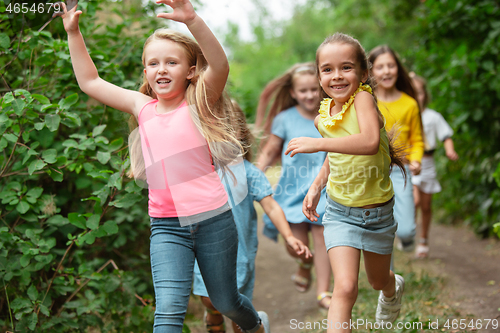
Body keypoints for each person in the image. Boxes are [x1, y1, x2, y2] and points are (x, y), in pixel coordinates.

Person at [57, 1, 271, 332]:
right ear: (145, 73)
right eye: (153, 63)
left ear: (189, 71)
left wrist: (192, 20)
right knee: (169, 309)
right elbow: (89, 82)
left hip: (214, 221)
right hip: (167, 227)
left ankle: (255, 325)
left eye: (172, 62)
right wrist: (73, 31)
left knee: (226, 301)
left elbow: (220, 64)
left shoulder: (200, 102)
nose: (161, 69)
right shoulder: (141, 107)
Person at [285, 32, 406, 332]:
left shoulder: (364, 99)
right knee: (345, 288)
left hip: (377, 214)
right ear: (318, 76)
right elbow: (336, 157)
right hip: (340, 212)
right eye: (327, 69)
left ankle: (392, 290)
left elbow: (367, 141)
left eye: (346, 67)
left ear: (364, 73)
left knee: (377, 280)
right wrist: (315, 187)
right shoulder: (323, 117)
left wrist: (318, 144)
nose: (336, 76)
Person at [192, 101, 312, 333]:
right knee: (209, 299)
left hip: (239, 254)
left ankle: (255, 325)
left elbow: (272, 206)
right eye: (216, 130)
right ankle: (213, 315)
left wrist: (288, 236)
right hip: (206, 250)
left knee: (238, 314)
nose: (223, 136)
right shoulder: (200, 170)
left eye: (230, 129)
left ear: (241, 134)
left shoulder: (249, 172)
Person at [255, 63, 333, 310]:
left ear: (321, 88)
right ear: (292, 93)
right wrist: (254, 174)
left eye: (313, 89)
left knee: (322, 239)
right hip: (291, 192)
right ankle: (304, 264)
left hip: (322, 188)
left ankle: (323, 293)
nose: (309, 95)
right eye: (303, 91)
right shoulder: (284, 119)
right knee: (296, 246)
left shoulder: (331, 115)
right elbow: (270, 151)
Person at [368, 45, 425, 252]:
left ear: (398, 69)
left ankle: (406, 238)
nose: (386, 71)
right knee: (381, 230)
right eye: (380, 67)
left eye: (391, 66)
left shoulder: (410, 104)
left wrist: (416, 159)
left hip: (401, 170)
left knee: (406, 230)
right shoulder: (367, 102)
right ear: (370, 71)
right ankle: (387, 279)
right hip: (373, 170)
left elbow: (418, 140)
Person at [410, 73, 458, 259]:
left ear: (425, 95)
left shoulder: (433, 117)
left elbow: (446, 135)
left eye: (419, 93)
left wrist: (449, 150)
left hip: (428, 163)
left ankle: (423, 240)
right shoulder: (406, 114)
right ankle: (408, 230)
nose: (417, 97)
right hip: (411, 163)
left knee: (426, 205)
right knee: (413, 201)